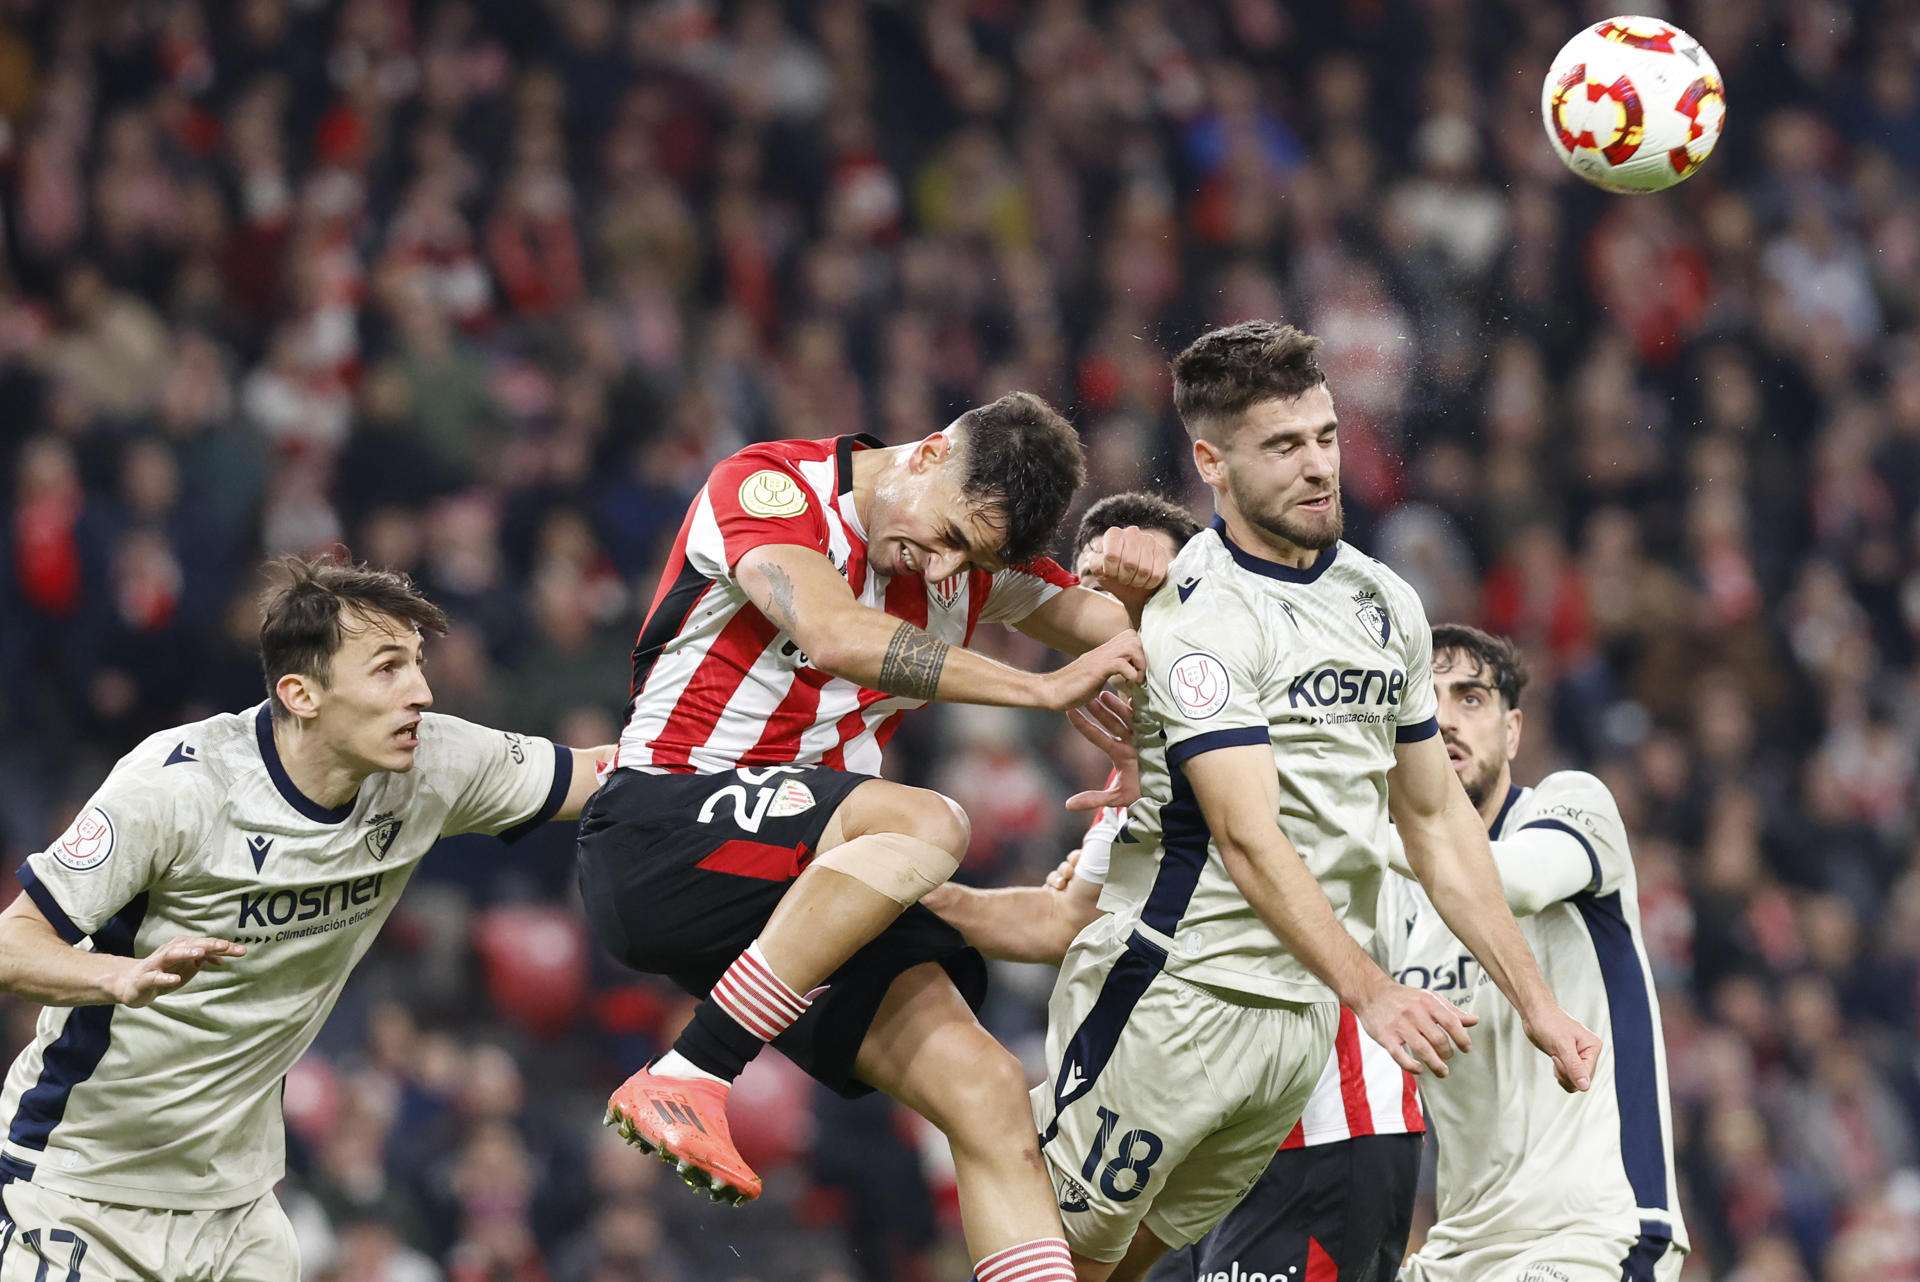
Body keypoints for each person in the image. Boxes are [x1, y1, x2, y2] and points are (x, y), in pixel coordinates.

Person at [1026, 321, 1601, 1282]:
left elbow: (1432, 820)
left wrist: (1534, 1003)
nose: (1318, 466)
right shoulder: (1200, 614)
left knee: (1132, 1272)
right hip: (1178, 995)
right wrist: (1372, 991)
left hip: (1295, 1029)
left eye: (1326, 436)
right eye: (1284, 446)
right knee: (1057, 1263)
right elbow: (1246, 840)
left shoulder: (1384, 604)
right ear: (1210, 460)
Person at [579, 394, 1163, 1282]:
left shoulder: (963, 564)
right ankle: (695, 1071)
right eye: (949, 535)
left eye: (970, 557)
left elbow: (1114, 627)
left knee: (990, 1094)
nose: (943, 570)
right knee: (928, 818)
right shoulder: (773, 489)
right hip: (665, 826)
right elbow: (836, 634)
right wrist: (1045, 690)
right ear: (928, 453)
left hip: (806, 890)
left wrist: (1166, 585)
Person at [0, 555, 612, 1282]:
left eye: (418, 663)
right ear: (300, 693)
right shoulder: (177, 788)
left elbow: (605, 776)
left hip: (241, 1211)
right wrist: (119, 976)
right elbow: (12, 944)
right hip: (85, 1192)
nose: (421, 691)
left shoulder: (434, 762)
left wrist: (757, 758)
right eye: (387, 669)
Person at [930, 488, 1426, 1282]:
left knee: (1045, 1233)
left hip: (1321, 1112)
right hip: (1240, 1112)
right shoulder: (1164, 772)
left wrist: (1155, 571)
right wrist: (922, 904)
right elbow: (1062, 919)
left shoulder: (1251, 712)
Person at [1389, 625, 1690, 1282]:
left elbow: (1508, 882)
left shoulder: (1574, 807)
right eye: (1423, 700)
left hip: (1586, 1234)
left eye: (1470, 699)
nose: (1443, 719)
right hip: (1456, 1250)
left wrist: (1360, 828)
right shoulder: (1391, 898)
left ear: (1514, 730)